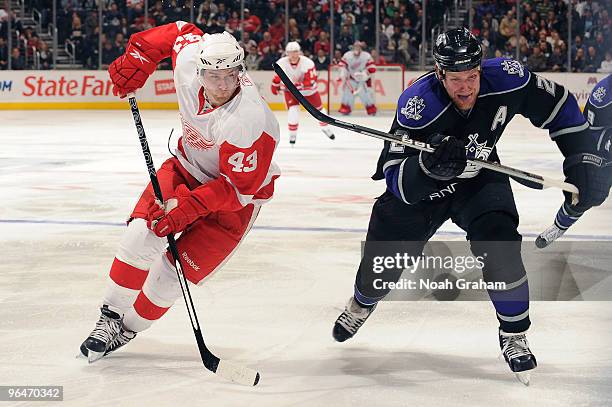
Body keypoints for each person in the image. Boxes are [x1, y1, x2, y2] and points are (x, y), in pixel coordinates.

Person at [332, 28, 609, 383]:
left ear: (481, 69)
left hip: (479, 177)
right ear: (439, 74)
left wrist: (582, 159)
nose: (465, 87)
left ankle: (513, 333)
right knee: (382, 263)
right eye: (456, 79)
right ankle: (363, 302)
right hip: (425, 189)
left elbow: (560, 107)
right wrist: (427, 168)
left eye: (472, 77)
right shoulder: (418, 105)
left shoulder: (508, 79)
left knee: (501, 245)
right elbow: (394, 178)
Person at [79, 22, 281, 362]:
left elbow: (236, 190)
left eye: (230, 75)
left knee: (171, 278)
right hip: (185, 171)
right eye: (214, 76)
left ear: (240, 72)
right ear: (199, 70)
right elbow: (180, 30)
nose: (221, 84)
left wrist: (186, 210)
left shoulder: (251, 121)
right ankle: (110, 316)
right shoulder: (189, 60)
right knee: (140, 237)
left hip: (233, 203)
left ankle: (127, 327)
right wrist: (139, 54)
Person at [271, 41, 335, 145]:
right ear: (287, 53)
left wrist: (297, 85)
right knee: (293, 111)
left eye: (295, 51)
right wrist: (275, 85)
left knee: (319, 111)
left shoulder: (308, 63)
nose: (293, 54)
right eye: (290, 52)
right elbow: (277, 77)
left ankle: (325, 127)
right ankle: (292, 135)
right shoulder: (281, 62)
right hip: (292, 92)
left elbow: (311, 80)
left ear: (299, 52)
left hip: (309, 92)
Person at [337, 41, 377, 116]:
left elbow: (372, 68)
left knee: (366, 95)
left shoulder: (366, 56)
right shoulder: (347, 55)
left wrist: (365, 74)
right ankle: (346, 109)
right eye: (355, 46)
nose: (356, 48)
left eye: (358, 46)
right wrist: (343, 72)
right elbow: (342, 65)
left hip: (363, 80)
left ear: (361, 48)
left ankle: (371, 109)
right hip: (351, 79)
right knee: (347, 94)